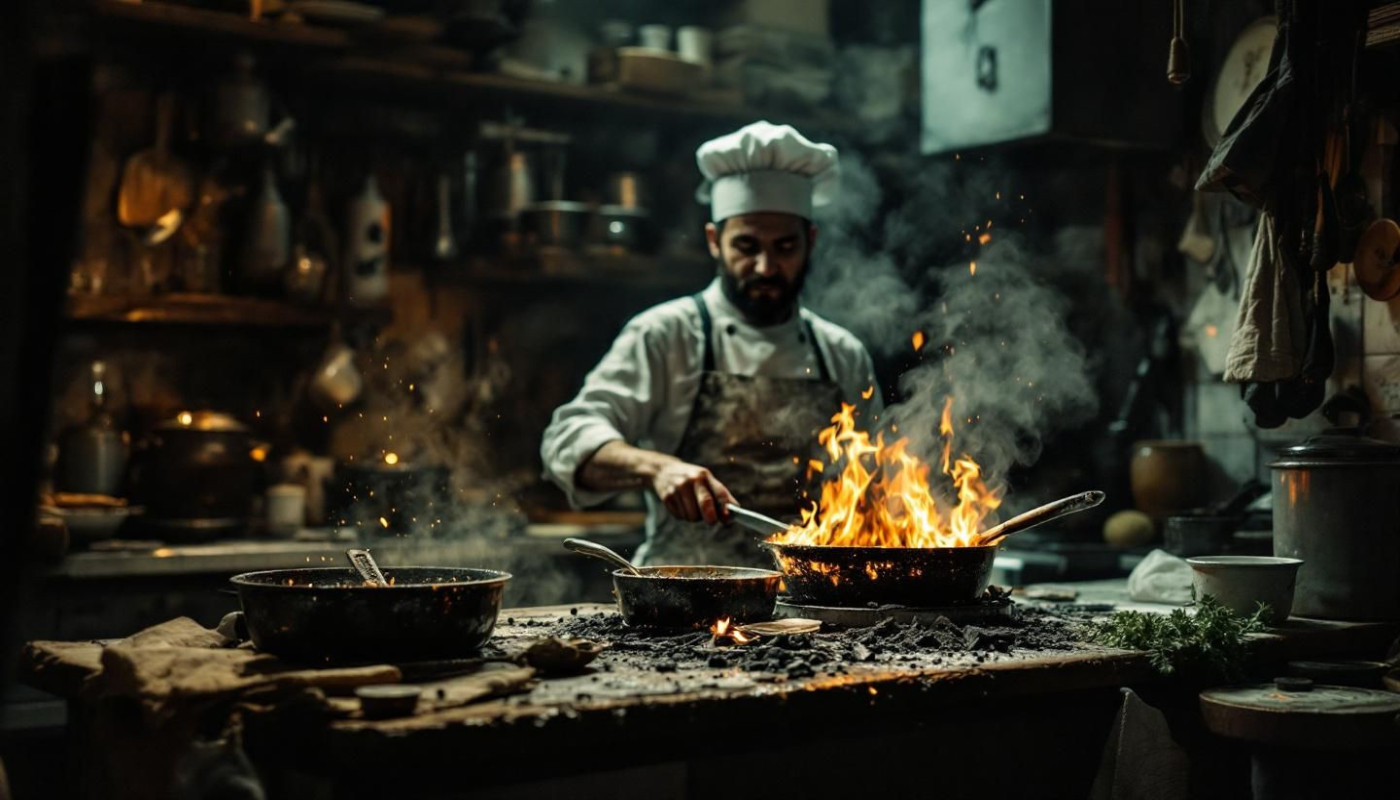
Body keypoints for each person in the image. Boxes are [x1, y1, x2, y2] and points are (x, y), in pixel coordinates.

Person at [540, 121, 882, 566]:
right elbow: (567, 439)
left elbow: (875, 487)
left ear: (809, 243)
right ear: (713, 242)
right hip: (683, 597)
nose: (765, 266)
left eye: (784, 247)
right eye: (746, 245)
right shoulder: (666, 334)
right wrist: (658, 468)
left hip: (809, 601)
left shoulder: (842, 354)